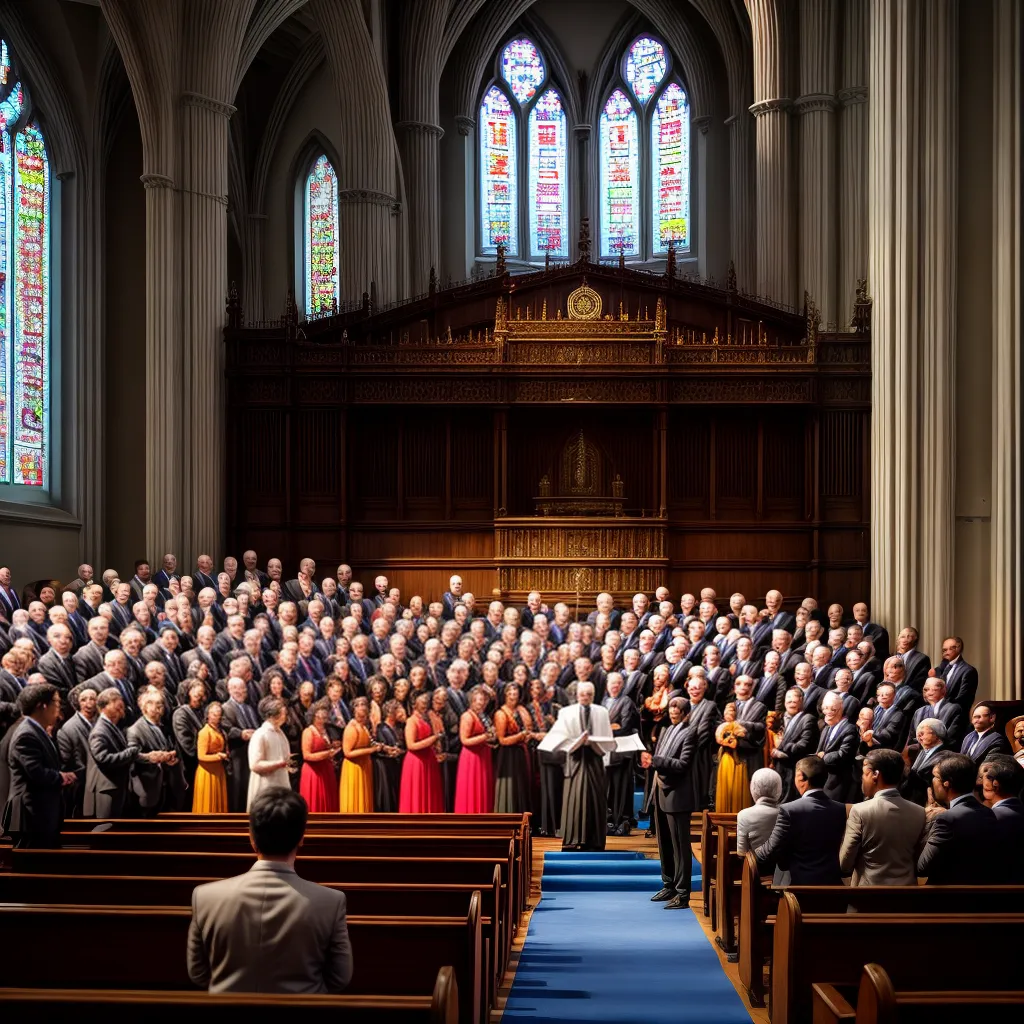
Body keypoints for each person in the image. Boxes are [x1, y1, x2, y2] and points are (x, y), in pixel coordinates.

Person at [187, 787, 353, 993]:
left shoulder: (204, 897)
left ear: (251, 838)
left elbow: (198, 973)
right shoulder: (331, 902)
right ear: (301, 838)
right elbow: (340, 977)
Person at [1, 683, 77, 847]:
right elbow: (35, 772)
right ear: (42, 706)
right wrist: (60, 776)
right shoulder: (26, 734)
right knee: (33, 864)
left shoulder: (36, 730)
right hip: (32, 814)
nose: (59, 708)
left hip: (41, 812)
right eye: (56, 703)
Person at [544, 681, 616, 851]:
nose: (585, 697)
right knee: (574, 798)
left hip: (595, 758)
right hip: (575, 758)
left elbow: (608, 737)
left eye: (589, 694)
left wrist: (594, 743)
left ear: (593, 695)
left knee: (595, 799)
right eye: (582, 694)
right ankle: (572, 839)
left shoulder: (602, 712)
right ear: (577, 695)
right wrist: (576, 742)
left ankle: (594, 840)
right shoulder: (566, 712)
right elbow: (559, 737)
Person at [754, 756, 847, 885]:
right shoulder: (840, 809)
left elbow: (770, 851)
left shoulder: (789, 810)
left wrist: (750, 856)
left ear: (800, 777)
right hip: (833, 887)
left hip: (799, 888)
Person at [840, 748, 926, 885]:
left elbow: (845, 862)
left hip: (869, 895)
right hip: (907, 895)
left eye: (864, 774)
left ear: (875, 775)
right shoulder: (920, 812)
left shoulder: (859, 811)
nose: (862, 778)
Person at [918, 752, 1004, 884]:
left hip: (949, 898)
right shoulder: (989, 813)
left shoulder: (946, 819)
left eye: (935, 777)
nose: (932, 782)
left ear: (947, 784)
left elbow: (923, 866)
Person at [642, 696, 695, 908]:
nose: (673, 713)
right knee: (664, 842)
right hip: (661, 790)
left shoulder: (690, 732)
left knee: (680, 846)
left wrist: (655, 761)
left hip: (678, 794)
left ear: (686, 713)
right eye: (671, 709)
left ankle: (683, 894)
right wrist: (651, 760)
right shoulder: (665, 730)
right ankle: (669, 883)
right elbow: (660, 757)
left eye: (678, 710)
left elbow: (682, 764)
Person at [85, 687, 169, 817]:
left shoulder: (112, 727)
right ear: (106, 707)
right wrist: (132, 752)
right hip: (106, 789)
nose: (122, 709)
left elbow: (125, 754)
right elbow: (103, 759)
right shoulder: (100, 731)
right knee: (105, 830)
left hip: (116, 787)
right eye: (118, 705)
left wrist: (148, 757)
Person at [127, 690, 186, 815]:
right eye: (154, 704)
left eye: (160, 704)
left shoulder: (164, 727)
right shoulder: (134, 730)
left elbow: (172, 748)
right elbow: (132, 755)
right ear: (145, 707)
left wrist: (171, 758)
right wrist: (150, 757)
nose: (159, 707)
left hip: (167, 785)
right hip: (147, 787)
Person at [399, 690, 444, 812]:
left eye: (426, 702)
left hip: (428, 759)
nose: (425, 704)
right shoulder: (411, 721)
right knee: (418, 792)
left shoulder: (426, 718)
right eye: (422, 702)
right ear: (414, 704)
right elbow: (411, 745)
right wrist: (433, 738)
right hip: (416, 762)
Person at [980, 756, 1024, 881]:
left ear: (995, 785)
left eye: (982, 778)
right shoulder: (1019, 811)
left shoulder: (991, 819)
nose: (980, 782)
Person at [57, 684, 98, 817]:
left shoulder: (100, 722)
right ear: (77, 703)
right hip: (82, 786)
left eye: (92, 698)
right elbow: (66, 762)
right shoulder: (68, 729)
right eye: (84, 699)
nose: (89, 703)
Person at [454, 685, 495, 814]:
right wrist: (485, 737)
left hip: (483, 755)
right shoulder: (467, 716)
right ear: (472, 700)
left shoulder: (483, 715)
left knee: (483, 789)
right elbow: (464, 740)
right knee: (471, 789)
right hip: (472, 758)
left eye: (484, 700)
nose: (482, 703)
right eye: (480, 700)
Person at [247, 696, 293, 810]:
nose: (285, 716)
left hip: (280, 781)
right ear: (274, 715)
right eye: (283, 713)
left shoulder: (279, 732)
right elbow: (255, 765)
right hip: (266, 785)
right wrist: (279, 763)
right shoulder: (261, 734)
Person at [493, 682, 533, 815]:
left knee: (522, 786)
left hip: (521, 753)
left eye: (515, 693)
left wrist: (527, 736)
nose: (513, 695)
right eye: (510, 693)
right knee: (509, 788)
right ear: (505, 695)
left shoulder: (522, 710)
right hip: (508, 756)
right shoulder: (501, 713)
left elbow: (529, 729)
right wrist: (520, 736)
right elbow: (502, 740)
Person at [815, 692, 858, 801]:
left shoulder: (849, 729)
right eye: (825, 709)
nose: (828, 712)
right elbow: (819, 751)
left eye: (833, 709)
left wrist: (824, 757)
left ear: (840, 710)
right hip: (823, 779)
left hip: (838, 781)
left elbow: (844, 754)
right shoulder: (826, 728)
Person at [299, 705, 340, 813]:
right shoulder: (308, 732)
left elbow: (322, 746)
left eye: (324, 718)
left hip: (326, 770)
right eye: (319, 718)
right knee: (316, 799)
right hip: (314, 772)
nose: (321, 720)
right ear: (313, 717)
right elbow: (307, 755)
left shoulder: (326, 730)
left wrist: (331, 746)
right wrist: (328, 753)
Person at [339, 697, 377, 813]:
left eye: (364, 704)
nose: (362, 707)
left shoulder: (364, 726)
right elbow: (348, 752)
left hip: (364, 766)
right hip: (354, 768)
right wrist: (371, 750)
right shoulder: (352, 728)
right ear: (353, 710)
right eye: (358, 705)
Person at [714, 702, 752, 813]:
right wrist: (729, 740)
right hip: (727, 759)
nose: (728, 713)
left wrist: (735, 738)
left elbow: (742, 738)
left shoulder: (740, 727)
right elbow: (720, 739)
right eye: (726, 710)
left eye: (732, 710)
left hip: (739, 760)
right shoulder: (721, 727)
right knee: (727, 787)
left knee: (738, 790)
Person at [193, 702, 230, 813]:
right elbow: (201, 756)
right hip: (207, 772)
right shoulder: (204, 732)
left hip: (218, 770)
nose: (216, 716)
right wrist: (219, 756)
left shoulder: (220, 731)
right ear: (208, 715)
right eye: (214, 714)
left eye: (218, 714)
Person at [902, 718, 949, 805]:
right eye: (918, 733)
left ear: (937, 735)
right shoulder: (921, 752)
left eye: (923, 733)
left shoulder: (946, 756)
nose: (919, 736)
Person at [736, 768, 782, 855]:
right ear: (779, 789)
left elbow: (741, 852)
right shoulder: (788, 813)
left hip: (756, 867)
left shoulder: (744, 815)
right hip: (782, 868)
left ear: (753, 788)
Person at [372, 699, 404, 812]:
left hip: (395, 766)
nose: (402, 712)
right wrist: (390, 752)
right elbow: (379, 750)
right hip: (384, 768)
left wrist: (400, 752)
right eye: (399, 710)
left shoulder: (399, 728)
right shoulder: (381, 728)